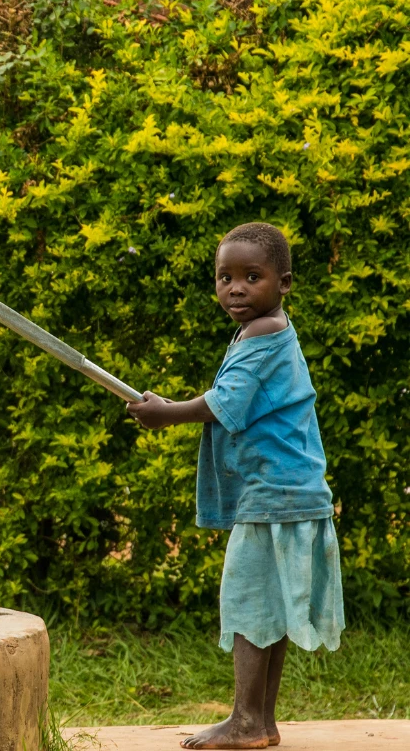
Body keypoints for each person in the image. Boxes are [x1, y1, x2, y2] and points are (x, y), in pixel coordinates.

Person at [126, 222, 344, 749]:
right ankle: (262, 723)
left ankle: (246, 721)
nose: (236, 289)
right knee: (268, 608)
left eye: (252, 276)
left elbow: (224, 404)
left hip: (274, 494)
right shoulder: (273, 331)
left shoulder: (262, 335)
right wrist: (169, 407)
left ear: (284, 283)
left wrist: (165, 414)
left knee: (249, 606)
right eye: (225, 278)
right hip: (291, 492)